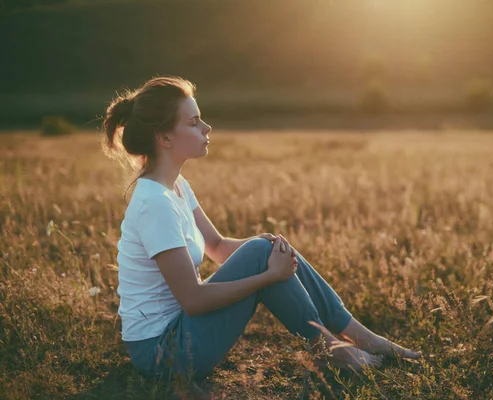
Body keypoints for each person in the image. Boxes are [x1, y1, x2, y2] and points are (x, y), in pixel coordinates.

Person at [101, 75, 422, 382]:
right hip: (164, 353)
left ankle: (358, 338)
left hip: (184, 333)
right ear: (165, 137)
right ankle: (334, 349)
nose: (206, 127)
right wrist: (268, 276)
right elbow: (193, 300)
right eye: (193, 122)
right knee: (261, 255)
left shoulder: (177, 186)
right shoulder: (154, 202)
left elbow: (216, 245)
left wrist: (266, 246)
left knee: (263, 247)